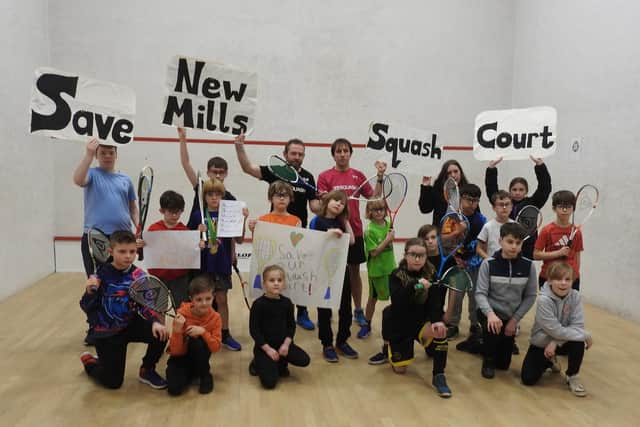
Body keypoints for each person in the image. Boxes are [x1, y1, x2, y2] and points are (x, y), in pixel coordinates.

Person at [234, 132, 319, 330]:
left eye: (301, 154)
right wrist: (239, 146)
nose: (297, 157)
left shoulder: (308, 177)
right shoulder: (276, 171)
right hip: (274, 232)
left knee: (297, 273)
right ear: (285, 153)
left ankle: (302, 312)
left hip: (298, 231)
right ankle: (272, 310)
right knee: (274, 274)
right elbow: (248, 168)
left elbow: (314, 207)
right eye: (294, 153)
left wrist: (324, 200)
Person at [79, 230, 168, 390]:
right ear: (110, 251)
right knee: (113, 383)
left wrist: (155, 321)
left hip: (129, 324)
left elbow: (146, 304)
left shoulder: (138, 275)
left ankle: (147, 370)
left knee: (161, 334)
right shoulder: (100, 276)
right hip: (106, 332)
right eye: (122, 251)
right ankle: (91, 362)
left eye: (132, 251)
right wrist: (89, 292)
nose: (128, 256)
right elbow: (86, 306)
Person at [73, 139, 138, 345]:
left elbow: (133, 207)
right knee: (96, 285)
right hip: (95, 239)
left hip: (122, 239)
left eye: (111, 152)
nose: (107, 155)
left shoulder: (125, 179)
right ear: (98, 155)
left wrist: (139, 227)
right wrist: (88, 154)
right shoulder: (91, 174)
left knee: (122, 284)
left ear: (116, 154)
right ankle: (95, 327)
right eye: (103, 152)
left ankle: (122, 323)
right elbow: (77, 179)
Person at [317, 138, 385, 327]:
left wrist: (379, 177)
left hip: (355, 231)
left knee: (355, 272)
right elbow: (322, 204)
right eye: (338, 151)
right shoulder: (324, 176)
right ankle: (328, 308)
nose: (342, 154)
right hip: (333, 232)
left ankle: (358, 310)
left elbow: (374, 198)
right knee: (330, 272)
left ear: (350, 153)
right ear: (333, 154)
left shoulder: (358, 175)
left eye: (345, 150)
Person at [385, 238, 452, 398]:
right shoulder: (396, 275)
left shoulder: (432, 274)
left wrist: (437, 321)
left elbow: (435, 304)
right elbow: (398, 302)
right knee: (400, 370)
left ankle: (439, 375)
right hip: (400, 325)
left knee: (440, 332)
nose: (417, 259)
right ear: (405, 255)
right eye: (413, 255)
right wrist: (416, 286)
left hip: (421, 323)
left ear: (426, 256)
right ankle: (387, 346)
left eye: (421, 255)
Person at [188, 178, 248, 351]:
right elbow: (189, 242)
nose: (214, 198)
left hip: (221, 264)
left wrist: (243, 220)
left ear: (223, 196)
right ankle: (203, 331)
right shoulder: (197, 216)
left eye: (217, 194)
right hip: (203, 266)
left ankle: (224, 333)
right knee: (202, 301)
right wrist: (196, 235)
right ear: (204, 196)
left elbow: (240, 239)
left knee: (222, 299)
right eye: (209, 194)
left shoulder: (229, 215)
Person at [475, 223, 537, 379]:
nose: (514, 246)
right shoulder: (488, 264)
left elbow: (530, 296)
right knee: (493, 332)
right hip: (491, 313)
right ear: (500, 240)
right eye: (510, 242)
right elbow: (480, 293)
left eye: (518, 243)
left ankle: (477, 344)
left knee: (503, 365)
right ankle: (487, 360)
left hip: (511, 316)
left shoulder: (529, 266)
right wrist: (490, 314)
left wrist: (515, 320)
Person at [521, 262, 592, 397]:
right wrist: (586, 335)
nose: (563, 283)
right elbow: (554, 329)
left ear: (573, 281)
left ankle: (572, 376)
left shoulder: (575, 297)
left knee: (578, 341)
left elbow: (577, 325)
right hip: (541, 342)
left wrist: (555, 343)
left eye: (567, 279)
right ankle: (549, 361)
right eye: (558, 279)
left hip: (560, 341)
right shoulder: (543, 300)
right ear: (549, 281)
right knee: (528, 379)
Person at [310, 190, 357, 362]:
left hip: (340, 271)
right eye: (336, 200)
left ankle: (342, 341)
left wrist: (345, 221)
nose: (338, 204)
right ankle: (327, 344)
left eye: (342, 203)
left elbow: (351, 241)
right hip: (323, 271)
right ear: (327, 201)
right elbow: (312, 244)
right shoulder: (317, 221)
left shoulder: (341, 222)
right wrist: (328, 235)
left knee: (345, 307)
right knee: (324, 309)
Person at [249, 265, 310, 389]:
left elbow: (291, 326)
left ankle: (280, 362)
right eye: (272, 280)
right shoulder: (258, 304)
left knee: (304, 360)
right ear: (264, 284)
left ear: (284, 283)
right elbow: (254, 331)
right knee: (269, 383)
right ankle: (257, 362)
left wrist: (286, 344)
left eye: (279, 280)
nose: (276, 283)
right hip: (265, 348)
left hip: (283, 345)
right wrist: (268, 350)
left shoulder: (287, 303)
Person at [473, 190, 518, 354]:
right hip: (492, 274)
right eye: (500, 204)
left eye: (507, 204)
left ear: (512, 206)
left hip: (511, 274)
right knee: (490, 305)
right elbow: (479, 248)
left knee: (512, 303)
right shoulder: (488, 226)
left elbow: (518, 249)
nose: (504, 207)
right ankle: (487, 338)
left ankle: (509, 338)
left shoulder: (515, 226)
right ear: (494, 207)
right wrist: (491, 261)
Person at [485, 156, 551, 259]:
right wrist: (491, 169)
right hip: (507, 246)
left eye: (521, 190)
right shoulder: (505, 204)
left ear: (526, 191)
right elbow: (491, 191)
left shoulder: (533, 203)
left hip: (528, 249)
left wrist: (540, 167)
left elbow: (545, 187)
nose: (517, 192)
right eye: (514, 189)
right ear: (510, 190)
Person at [140, 190, 197, 307]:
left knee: (182, 310)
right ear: (162, 210)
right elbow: (142, 253)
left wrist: (198, 247)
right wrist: (140, 245)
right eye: (171, 212)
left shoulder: (185, 231)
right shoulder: (153, 229)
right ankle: (160, 326)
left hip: (180, 278)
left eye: (178, 212)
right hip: (157, 277)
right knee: (158, 309)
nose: (175, 215)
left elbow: (192, 254)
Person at [166, 275, 222, 395]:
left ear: (214, 297)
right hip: (181, 358)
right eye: (199, 299)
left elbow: (216, 348)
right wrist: (177, 331)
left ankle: (205, 375)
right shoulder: (181, 315)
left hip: (200, 355)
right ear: (191, 299)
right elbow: (175, 351)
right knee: (174, 390)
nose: (204, 303)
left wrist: (203, 332)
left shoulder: (216, 318)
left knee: (197, 342)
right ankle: (190, 374)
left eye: (208, 298)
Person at [446, 184, 486, 341]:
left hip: (475, 266)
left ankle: (475, 325)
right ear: (460, 199)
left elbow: (482, 245)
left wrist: (469, 262)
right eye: (469, 200)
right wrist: (456, 258)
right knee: (455, 297)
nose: (472, 203)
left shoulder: (481, 220)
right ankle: (453, 325)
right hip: (457, 265)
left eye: (476, 200)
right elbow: (446, 240)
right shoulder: (452, 217)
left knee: (475, 297)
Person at [358, 199, 396, 339]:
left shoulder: (388, 224)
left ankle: (397, 325)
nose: (379, 212)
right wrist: (388, 239)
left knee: (396, 297)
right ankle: (366, 325)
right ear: (370, 212)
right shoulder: (369, 231)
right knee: (373, 298)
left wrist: (390, 237)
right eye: (375, 210)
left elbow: (390, 242)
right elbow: (373, 252)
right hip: (376, 271)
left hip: (391, 268)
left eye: (381, 209)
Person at [534, 190, 583, 290]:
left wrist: (574, 275)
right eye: (561, 207)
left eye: (568, 207)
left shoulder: (576, 232)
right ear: (554, 208)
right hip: (548, 277)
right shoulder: (546, 230)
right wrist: (558, 253)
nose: (564, 210)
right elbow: (536, 255)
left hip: (570, 279)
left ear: (573, 209)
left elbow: (577, 256)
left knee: (569, 306)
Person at [418, 159, 472, 226]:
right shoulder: (438, 191)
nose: (453, 175)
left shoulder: (469, 191)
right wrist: (426, 186)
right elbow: (425, 209)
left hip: (463, 232)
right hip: (440, 232)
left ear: (461, 173)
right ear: (445, 175)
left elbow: (475, 215)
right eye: (449, 173)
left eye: (456, 171)